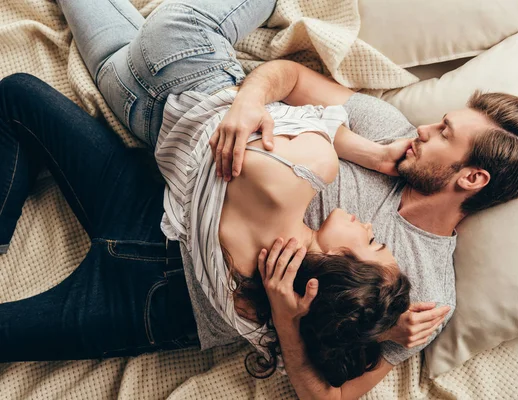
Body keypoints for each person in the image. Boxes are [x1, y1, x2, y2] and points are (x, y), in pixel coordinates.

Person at [0, 0, 416, 391]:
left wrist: (375, 155)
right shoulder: (261, 319)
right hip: (156, 285)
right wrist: (369, 325)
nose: (369, 224)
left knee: (18, 93)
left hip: (175, 79)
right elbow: (328, 367)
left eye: (373, 242)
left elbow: (291, 91)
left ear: (337, 266)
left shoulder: (304, 169)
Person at [210, 59, 518, 398]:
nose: (423, 129)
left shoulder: (427, 294)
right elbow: (291, 76)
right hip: (194, 179)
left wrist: (288, 319)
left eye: (444, 133)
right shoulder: (389, 132)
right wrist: (250, 100)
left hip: (185, 293)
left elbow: (331, 397)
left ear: (472, 178)